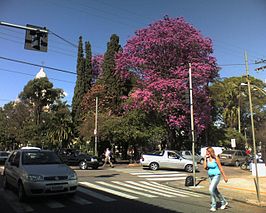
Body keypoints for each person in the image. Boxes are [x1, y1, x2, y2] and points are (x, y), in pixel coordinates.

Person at [203, 147, 228, 212]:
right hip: (210, 176)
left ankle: (213, 206)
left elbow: (220, 168)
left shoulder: (216, 158)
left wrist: (225, 176)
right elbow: (205, 167)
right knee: (215, 191)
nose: (206, 153)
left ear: (210, 152)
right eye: (206, 152)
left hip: (216, 176)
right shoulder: (207, 159)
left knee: (211, 190)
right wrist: (205, 159)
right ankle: (223, 201)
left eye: (207, 152)